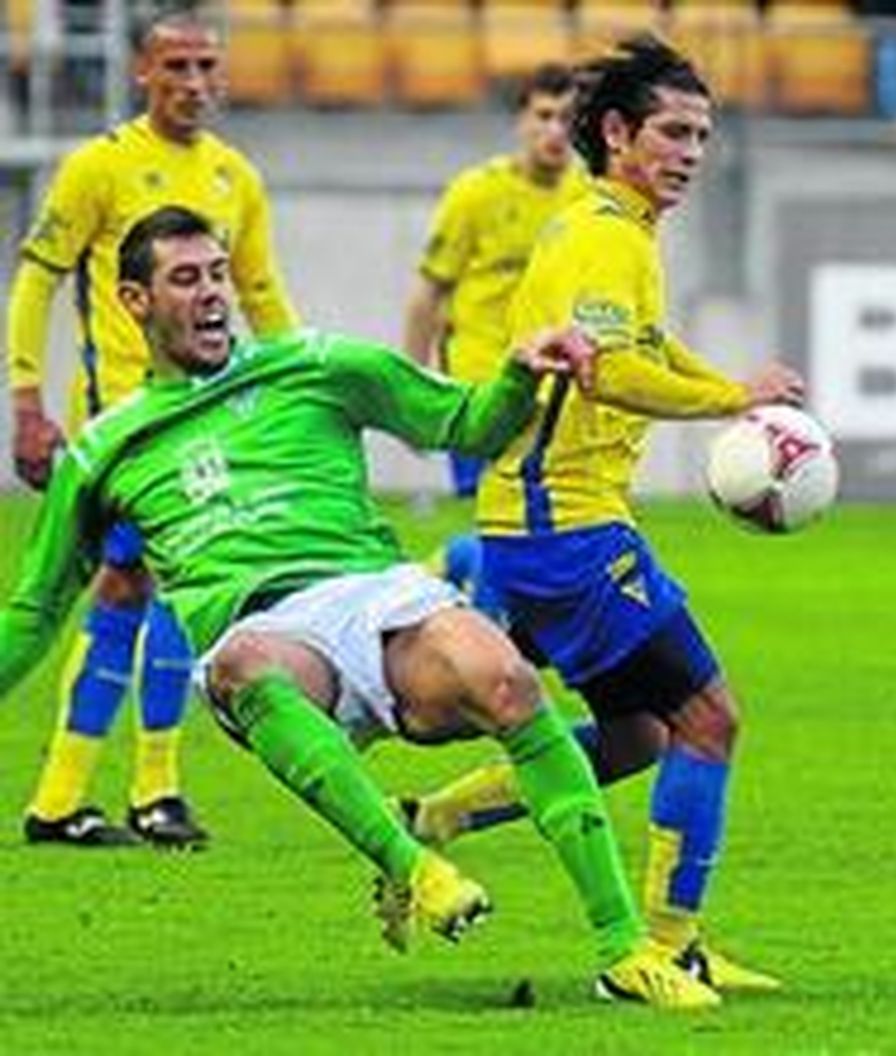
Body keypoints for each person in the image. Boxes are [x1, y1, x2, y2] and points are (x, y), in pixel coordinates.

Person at [0, 205, 721, 1011]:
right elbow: (35, 613)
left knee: (508, 680)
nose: (211, 295)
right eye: (184, 279)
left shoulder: (316, 364)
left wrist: (523, 372)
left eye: (216, 274)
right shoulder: (104, 451)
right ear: (134, 301)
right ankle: (413, 867)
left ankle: (626, 953)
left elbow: (464, 422)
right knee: (243, 669)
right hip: (264, 627)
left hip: (379, 594)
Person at [395, 35, 806, 995]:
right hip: (565, 528)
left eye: (703, 134)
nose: (692, 151)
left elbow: (649, 344)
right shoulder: (598, 236)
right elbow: (612, 373)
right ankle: (663, 950)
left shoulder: (624, 234)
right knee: (709, 718)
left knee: (639, 738)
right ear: (616, 133)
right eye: (673, 131)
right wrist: (724, 401)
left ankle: (438, 819)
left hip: (555, 526)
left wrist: (742, 395)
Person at [4, 6, 299, 848]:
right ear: (143, 73)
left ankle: (136, 792)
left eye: (209, 68)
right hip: (124, 430)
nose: (196, 84)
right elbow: (36, 281)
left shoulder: (234, 177)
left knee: (176, 592)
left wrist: (301, 385)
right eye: (178, 68)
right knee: (128, 590)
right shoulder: (99, 167)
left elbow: (263, 294)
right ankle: (81, 795)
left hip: (207, 429)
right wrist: (25, 401)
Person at [401, 63, 588, 605]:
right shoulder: (476, 194)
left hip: (554, 393)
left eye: (569, 119)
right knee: (510, 536)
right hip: (482, 387)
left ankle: (450, 566)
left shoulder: (587, 200)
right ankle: (486, 660)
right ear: (521, 122)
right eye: (545, 116)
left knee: (534, 540)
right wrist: (414, 393)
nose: (556, 130)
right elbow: (428, 295)